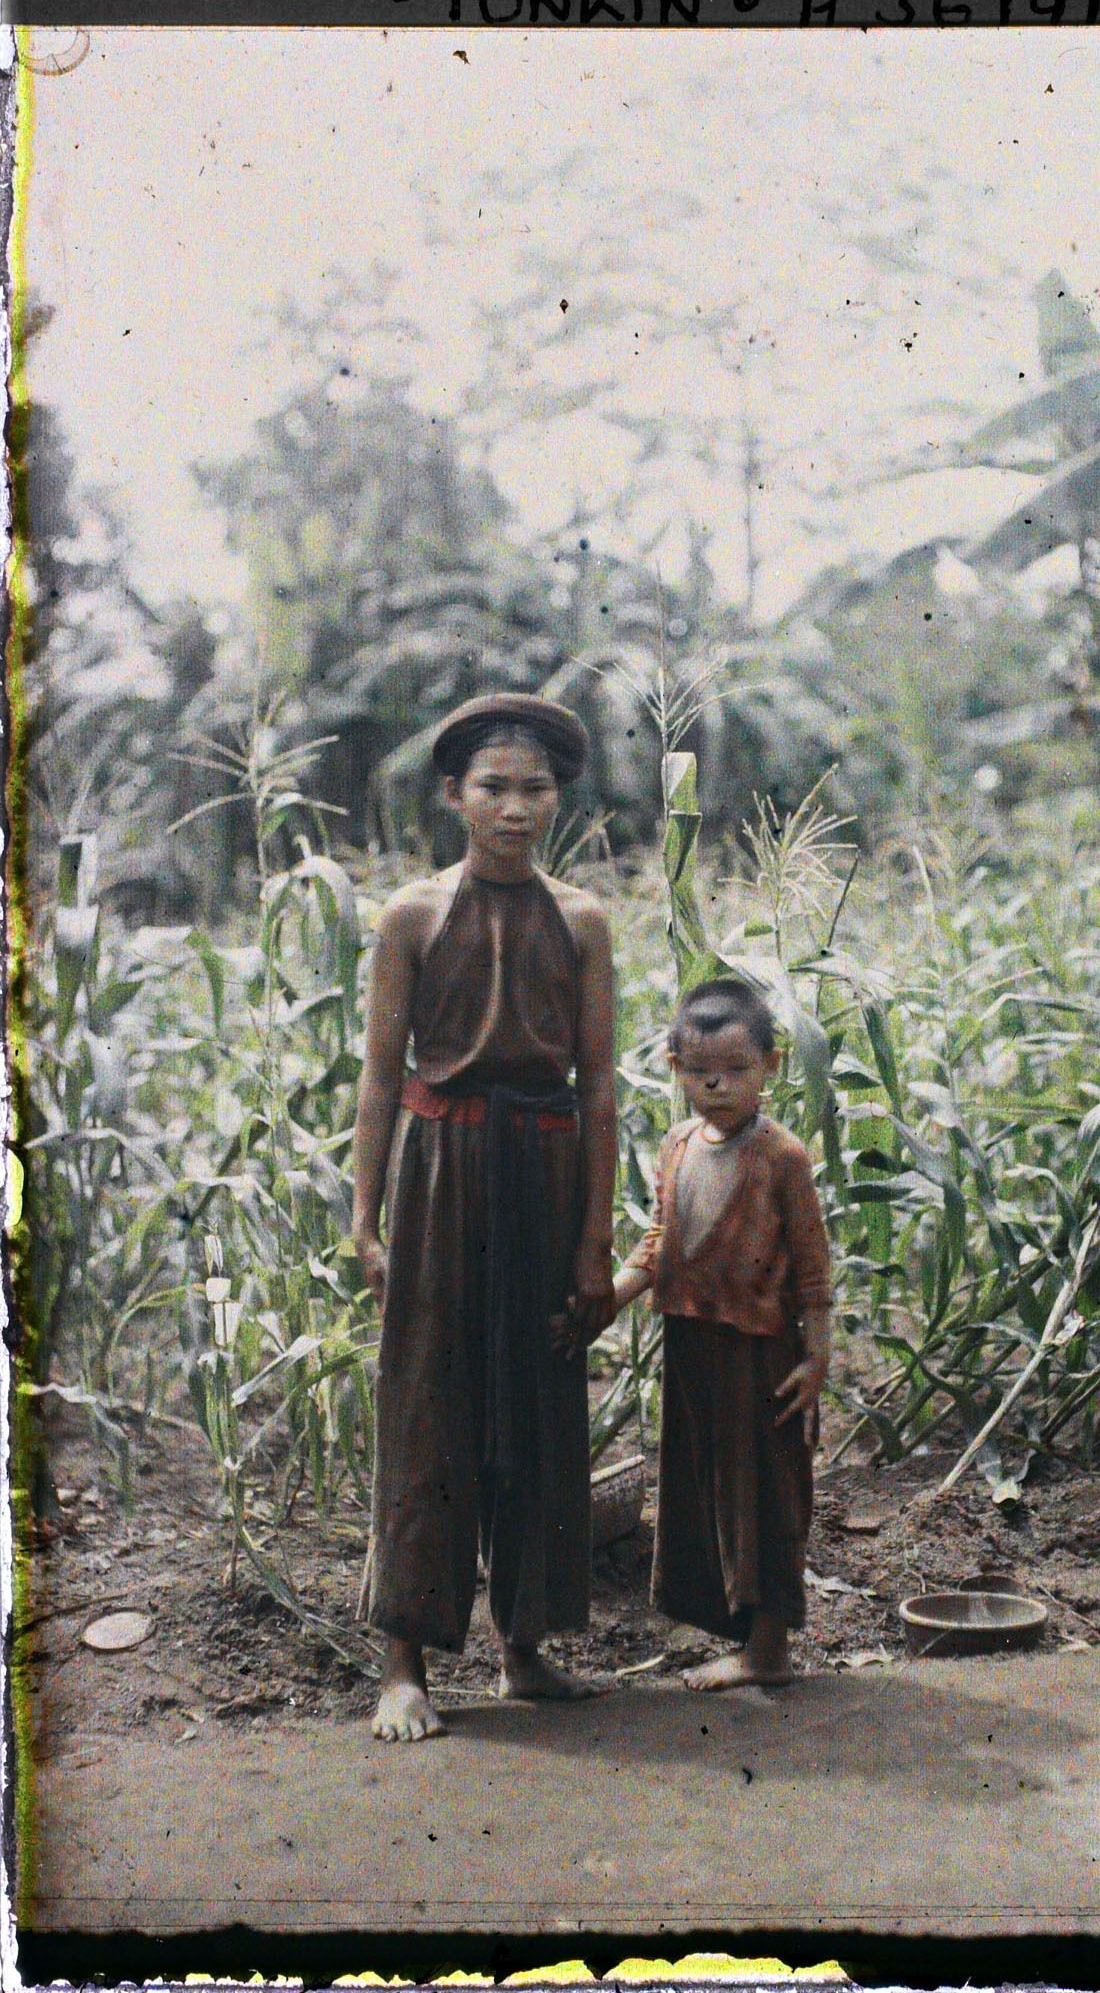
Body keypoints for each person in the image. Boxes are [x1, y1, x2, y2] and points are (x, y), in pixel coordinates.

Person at [353, 692, 618, 1742]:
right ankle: (404, 1662)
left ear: (558, 798)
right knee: (427, 1399)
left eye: (535, 788)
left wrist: (594, 1239)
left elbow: (599, 1084)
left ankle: (526, 1646)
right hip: (438, 1168)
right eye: (493, 788)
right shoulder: (413, 915)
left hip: (544, 1167)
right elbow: (381, 1077)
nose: (516, 808)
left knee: (540, 1398)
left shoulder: (582, 919)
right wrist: (363, 1217)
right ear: (454, 796)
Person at [612, 978, 831, 1690]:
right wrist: (609, 1298)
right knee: (705, 1485)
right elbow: (658, 1240)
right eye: (701, 1071)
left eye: (737, 1069)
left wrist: (817, 1357)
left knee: (764, 1490)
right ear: (676, 1069)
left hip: (759, 1350)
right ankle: (739, 1632)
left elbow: (812, 1268)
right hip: (691, 1342)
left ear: (771, 1066)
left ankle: (767, 1649)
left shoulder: (781, 1156)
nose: (718, 1085)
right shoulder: (677, 1145)